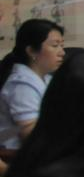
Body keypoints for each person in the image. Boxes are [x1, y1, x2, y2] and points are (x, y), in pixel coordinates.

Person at [0, 19, 66, 148]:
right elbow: (30, 134)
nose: (62, 52)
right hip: (17, 153)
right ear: (31, 51)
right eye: (55, 46)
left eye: (62, 45)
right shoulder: (21, 85)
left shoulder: (46, 78)